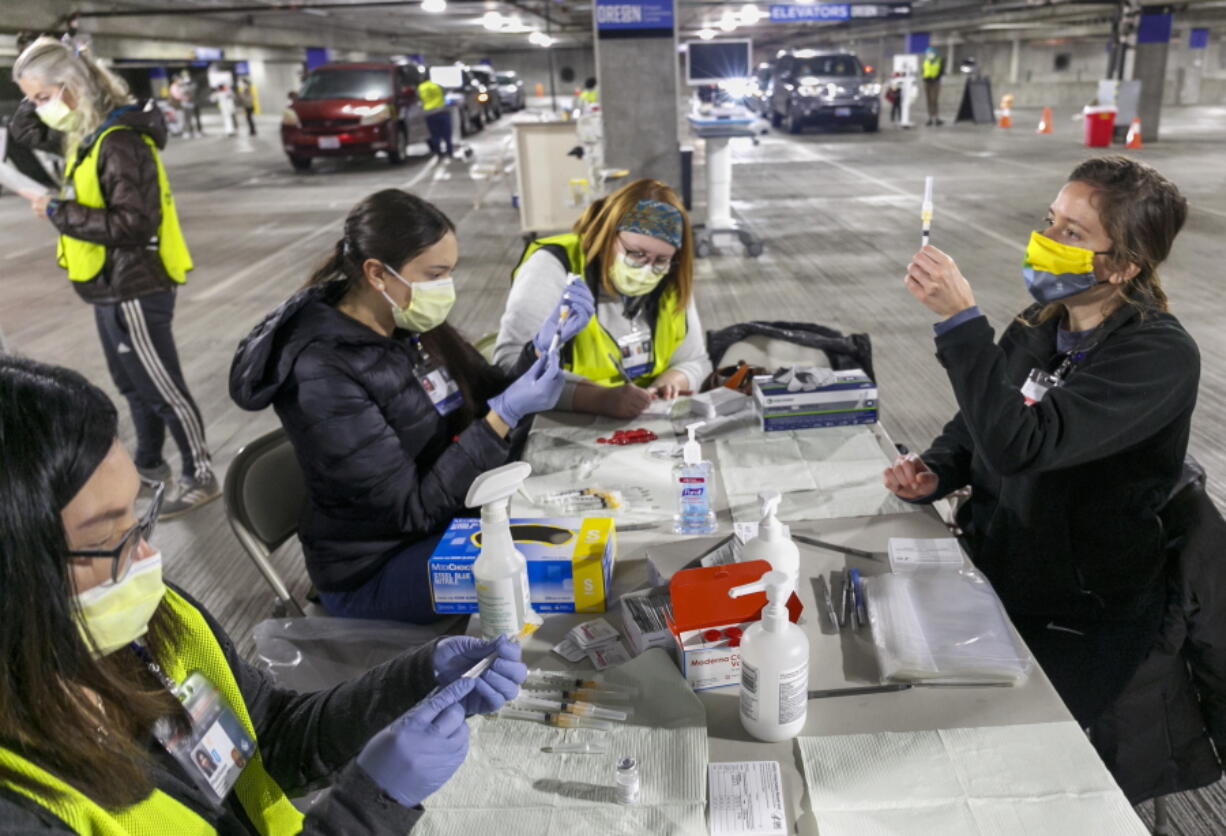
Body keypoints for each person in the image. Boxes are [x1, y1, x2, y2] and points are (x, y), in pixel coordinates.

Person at [0, 354, 528, 833]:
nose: (146, 561)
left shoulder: (153, 624)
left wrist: (415, 679)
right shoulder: (23, 806)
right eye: (104, 540)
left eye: (138, 519)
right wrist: (369, 807)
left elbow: (266, 738)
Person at [884, 156, 1197, 728]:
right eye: (1050, 220)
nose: (1045, 239)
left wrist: (961, 323)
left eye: (1071, 234)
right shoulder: (1040, 322)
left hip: (1078, 608)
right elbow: (982, 420)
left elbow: (1021, 446)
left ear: (1124, 265)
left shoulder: (1155, 357)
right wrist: (939, 468)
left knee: (1012, 740)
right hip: (1000, 566)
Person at [230, 189, 593, 623]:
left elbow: (484, 399)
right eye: (435, 274)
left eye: (450, 273)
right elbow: (410, 509)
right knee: (569, 574)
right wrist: (505, 415)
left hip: (449, 521)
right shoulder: (323, 370)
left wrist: (542, 346)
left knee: (583, 529)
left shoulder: (406, 324)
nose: (446, 289)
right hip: (377, 567)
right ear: (377, 274)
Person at [11, 37, 219, 518]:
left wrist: (61, 211)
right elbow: (24, 132)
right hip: (108, 284)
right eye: (35, 98)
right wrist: (36, 80)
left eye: (44, 97)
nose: (39, 109)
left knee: (162, 386)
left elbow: (134, 224)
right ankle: (150, 464)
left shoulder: (120, 141)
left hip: (136, 284)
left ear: (73, 88)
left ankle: (201, 474)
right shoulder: (82, 134)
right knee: (131, 384)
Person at [495, 178, 711, 420]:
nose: (647, 269)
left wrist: (674, 380)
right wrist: (598, 399)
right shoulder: (553, 267)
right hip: (558, 422)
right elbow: (511, 368)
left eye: (660, 260)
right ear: (609, 236)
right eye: (636, 254)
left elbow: (696, 360)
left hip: (641, 420)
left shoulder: (671, 278)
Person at [417, 74, 452, 160]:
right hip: (442, 111)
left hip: (430, 114)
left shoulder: (420, 88)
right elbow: (446, 93)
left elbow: (419, 100)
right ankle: (449, 152)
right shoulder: (436, 86)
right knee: (447, 134)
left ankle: (438, 153)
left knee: (435, 134)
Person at [168, 71, 199, 138]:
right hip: (179, 105)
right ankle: (184, 132)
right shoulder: (174, 86)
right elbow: (177, 96)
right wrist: (185, 97)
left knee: (188, 119)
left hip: (185, 104)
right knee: (183, 119)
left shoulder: (182, 85)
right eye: (178, 79)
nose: (180, 80)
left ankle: (191, 132)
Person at [921, 46, 944, 126]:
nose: (929, 55)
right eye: (928, 53)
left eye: (930, 53)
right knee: (929, 100)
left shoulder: (939, 61)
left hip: (935, 82)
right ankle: (930, 118)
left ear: (935, 53)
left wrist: (936, 77)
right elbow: (923, 71)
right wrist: (924, 78)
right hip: (927, 82)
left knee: (934, 100)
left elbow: (941, 71)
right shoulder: (925, 61)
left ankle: (937, 118)